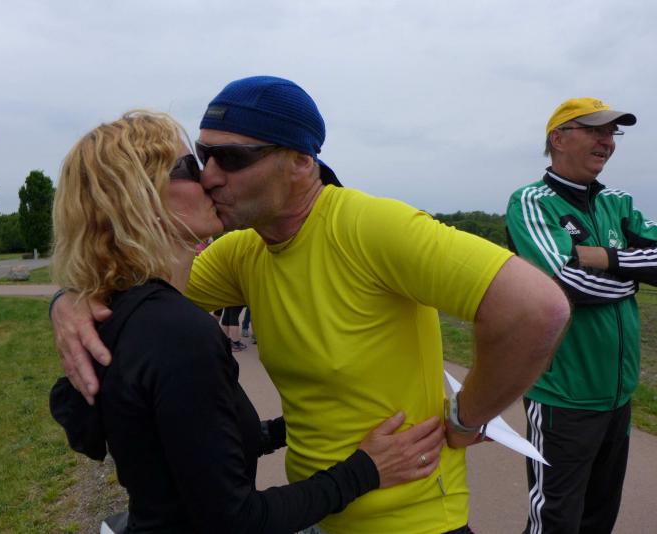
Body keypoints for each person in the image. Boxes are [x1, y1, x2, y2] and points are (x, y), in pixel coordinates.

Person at [52, 77, 571, 534]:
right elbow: (137, 294)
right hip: (319, 512)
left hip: (410, 517)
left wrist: (466, 418)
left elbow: (536, 309)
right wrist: (71, 301)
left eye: (231, 159)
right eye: (202, 156)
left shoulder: (373, 228)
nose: (210, 175)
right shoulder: (243, 252)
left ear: (302, 162)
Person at [48, 110, 445, 533]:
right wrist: (367, 469)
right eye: (191, 166)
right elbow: (237, 519)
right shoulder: (178, 332)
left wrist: (308, 424)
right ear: (140, 199)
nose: (209, 178)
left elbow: (195, 446)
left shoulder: (126, 314)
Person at [505, 97, 657, 534]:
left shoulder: (618, 203)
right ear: (558, 138)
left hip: (617, 396)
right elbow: (566, 282)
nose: (607, 141)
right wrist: (634, 276)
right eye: (595, 130)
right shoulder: (532, 201)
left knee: (599, 517)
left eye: (611, 133)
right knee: (555, 519)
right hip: (562, 396)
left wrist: (606, 257)